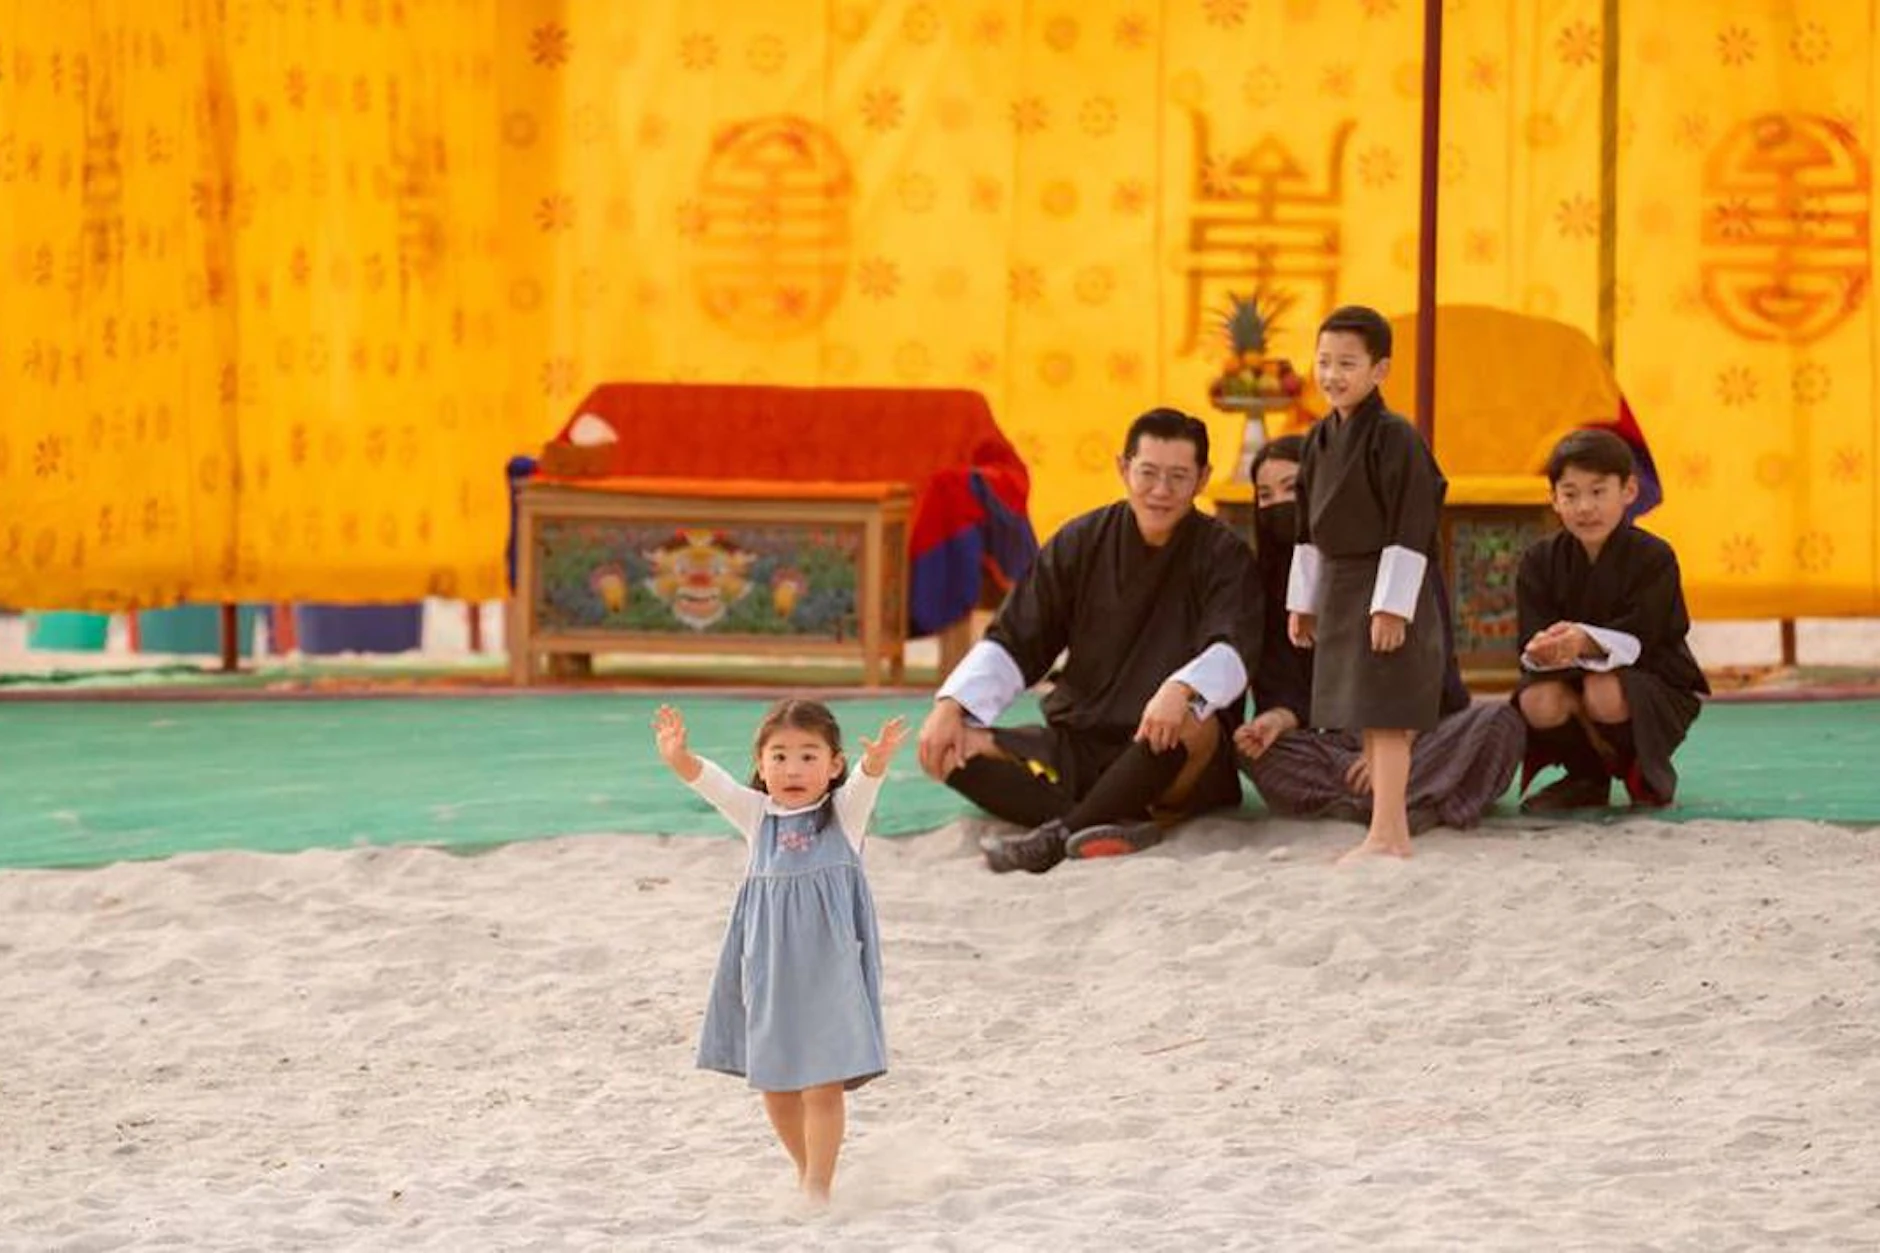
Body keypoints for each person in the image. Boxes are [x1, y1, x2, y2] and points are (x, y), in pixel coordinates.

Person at [916, 407, 1261, 874]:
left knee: (1193, 720)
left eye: (1178, 477)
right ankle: (1105, 821)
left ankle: (1060, 834)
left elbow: (1233, 645)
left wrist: (1180, 688)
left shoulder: (1224, 554)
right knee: (952, 749)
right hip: (1080, 740)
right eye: (1149, 473)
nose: (1161, 491)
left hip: (1168, 758)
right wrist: (952, 705)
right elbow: (1019, 635)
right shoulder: (1080, 541)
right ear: (1123, 468)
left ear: (1203, 479)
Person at [653, 698, 907, 1205]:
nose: (793, 769)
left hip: (830, 968)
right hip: (768, 965)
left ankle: (819, 1186)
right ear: (762, 765)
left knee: (822, 1084)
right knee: (776, 1084)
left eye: (810, 756)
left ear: (834, 766)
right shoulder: (756, 815)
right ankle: (804, 1169)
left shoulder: (843, 817)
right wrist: (678, 756)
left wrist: (876, 760)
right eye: (780, 756)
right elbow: (711, 782)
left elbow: (866, 781)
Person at [1235, 435, 1525, 831]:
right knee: (1255, 749)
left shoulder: (1401, 561)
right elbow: (1290, 691)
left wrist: (1394, 745)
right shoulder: (1273, 582)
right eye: (1265, 495)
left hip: (1414, 731)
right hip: (1333, 743)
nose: (1278, 504)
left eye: (1292, 488)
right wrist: (1274, 722)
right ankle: (1417, 801)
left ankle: (1377, 799)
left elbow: (1431, 669)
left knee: (1500, 723)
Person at [1286, 305, 1449, 863]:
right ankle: (1387, 832)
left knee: (1387, 712)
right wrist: (1303, 602)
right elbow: (1306, 526)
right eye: (1324, 361)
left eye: (1347, 364)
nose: (1332, 375)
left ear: (1379, 370)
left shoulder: (1394, 436)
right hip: (1341, 583)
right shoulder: (1317, 438)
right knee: (1366, 714)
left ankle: (1389, 833)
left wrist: (1393, 608)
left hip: (1385, 583)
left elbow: (1413, 520)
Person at [1514, 428, 1708, 811]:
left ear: (1629, 491)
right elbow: (1528, 637)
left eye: (1598, 492)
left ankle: (1639, 767)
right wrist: (1541, 649)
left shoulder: (1654, 557)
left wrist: (1585, 642)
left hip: (1652, 680)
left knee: (1603, 690)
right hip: (1567, 678)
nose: (1585, 507)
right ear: (1553, 499)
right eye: (1571, 495)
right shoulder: (1538, 560)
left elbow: (1649, 633)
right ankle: (1586, 777)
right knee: (1537, 700)